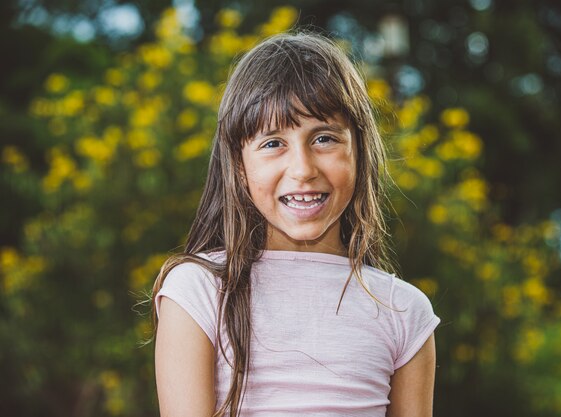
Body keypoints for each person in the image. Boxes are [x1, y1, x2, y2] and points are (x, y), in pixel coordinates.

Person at [151, 31, 441, 417]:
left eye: (323, 138)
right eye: (273, 143)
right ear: (239, 166)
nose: (303, 169)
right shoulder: (198, 292)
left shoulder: (405, 312)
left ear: (360, 152)